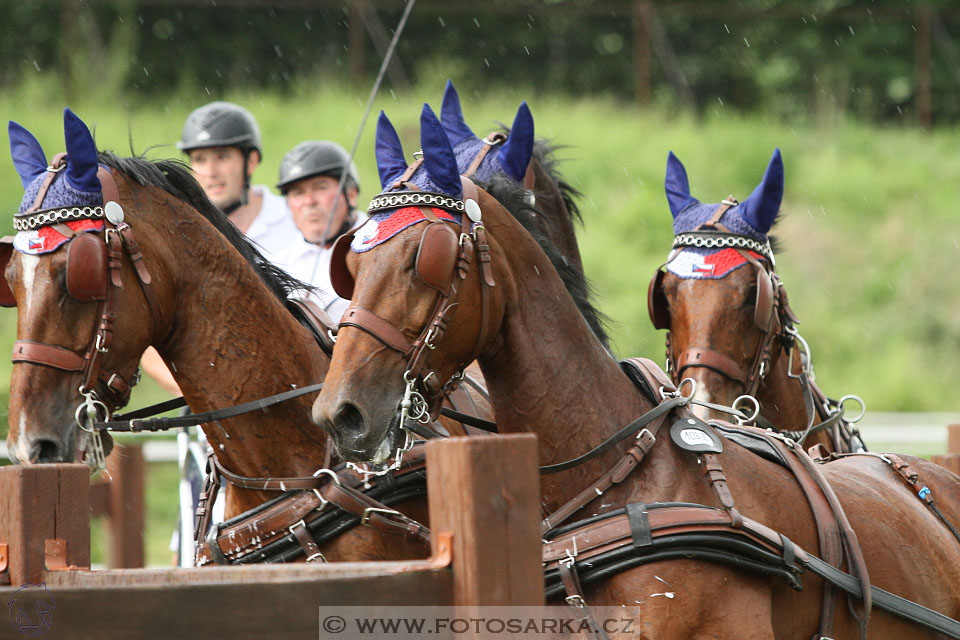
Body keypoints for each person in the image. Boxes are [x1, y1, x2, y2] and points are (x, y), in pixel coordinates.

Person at [142, 101, 299, 396]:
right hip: (215, 422)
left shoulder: (296, 220)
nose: (211, 171)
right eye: (200, 159)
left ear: (251, 161)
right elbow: (149, 338)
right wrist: (206, 394)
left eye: (222, 156)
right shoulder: (177, 236)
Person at [275, 140, 362, 322]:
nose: (309, 201)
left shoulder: (385, 246)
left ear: (351, 194)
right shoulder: (277, 264)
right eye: (298, 192)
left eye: (320, 187)